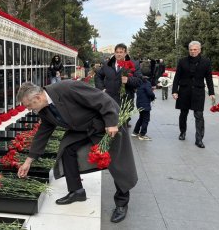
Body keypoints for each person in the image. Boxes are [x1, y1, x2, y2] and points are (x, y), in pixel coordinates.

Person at [17, 81, 138, 223]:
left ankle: (121, 203)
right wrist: (28, 161)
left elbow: (101, 98)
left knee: (118, 162)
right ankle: (76, 191)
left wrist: (111, 122)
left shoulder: (66, 88)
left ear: (37, 97)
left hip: (106, 123)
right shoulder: (44, 110)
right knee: (68, 149)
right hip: (84, 128)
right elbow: (43, 133)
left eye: (29, 105)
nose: (29, 109)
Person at [172, 41, 215, 148]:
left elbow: (209, 78)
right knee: (183, 113)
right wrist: (174, 91)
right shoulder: (182, 61)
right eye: (191, 50)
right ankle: (182, 132)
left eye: (195, 49)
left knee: (199, 115)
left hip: (198, 92)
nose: (193, 51)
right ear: (189, 50)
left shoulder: (206, 62)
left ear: (199, 50)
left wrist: (211, 92)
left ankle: (199, 139)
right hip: (184, 91)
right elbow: (177, 77)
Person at [95, 43, 142, 127]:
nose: (118, 54)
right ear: (114, 52)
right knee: (108, 126)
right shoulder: (107, 64)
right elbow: (98, 76)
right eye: (117, 52)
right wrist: (101, 89)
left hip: (125, 101)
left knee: (122, 129)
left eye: (121, 52)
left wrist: (128, 80)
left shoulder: (133, 64)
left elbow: (139, 81)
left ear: (125, 53)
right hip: (109, 100)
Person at [132, 69, 155, 140]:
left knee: (141, 117)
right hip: (145, 104)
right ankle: (142, 134)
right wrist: (153, 96)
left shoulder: (138, 82)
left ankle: (135, 132)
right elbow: (149, 93)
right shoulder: (147, 83)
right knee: (146, 119)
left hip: (139, 103)